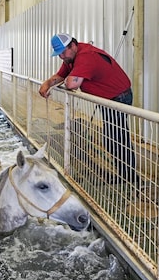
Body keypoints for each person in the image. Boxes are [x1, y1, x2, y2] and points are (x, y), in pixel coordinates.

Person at [39, 33, 138, 184]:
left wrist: (65, 82)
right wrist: (47, 83)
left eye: (63, 53)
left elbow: (72, 84)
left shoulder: (86, 56)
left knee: (117, 138)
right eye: (59, 54)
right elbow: (61, 75)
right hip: (107, 98)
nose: (62, 57)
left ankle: (129, 177)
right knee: (113, 137)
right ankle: (126, 175)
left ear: (72, 46)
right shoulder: (71, 57)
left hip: (118, 97)